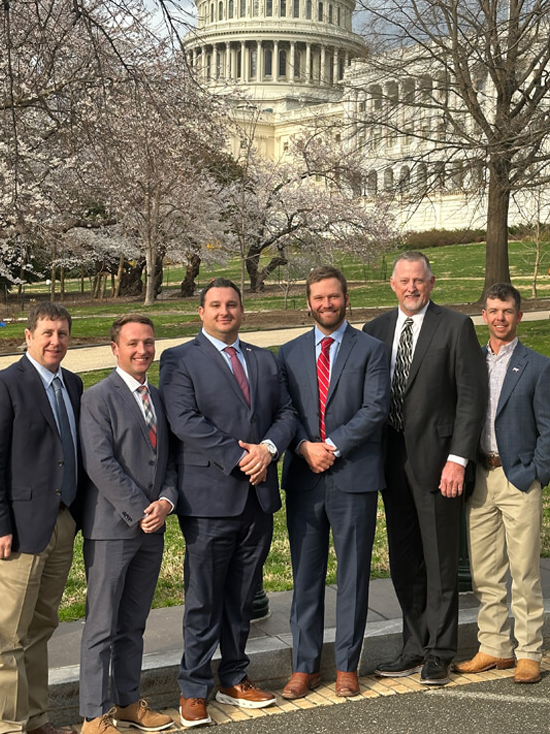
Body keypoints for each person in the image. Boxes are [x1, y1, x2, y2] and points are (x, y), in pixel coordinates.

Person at [159, 278, 295, 726]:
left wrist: (267, 450)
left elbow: (287, 414)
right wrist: (240, 457)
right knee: (203, 599)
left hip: (258, 497)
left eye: (232, 305)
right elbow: (184, 421)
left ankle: (235, 677)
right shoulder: (180, 359)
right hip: (209, 499)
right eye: (215, 305)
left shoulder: (262, 359)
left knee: (241, 596)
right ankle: (193, 686)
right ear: (200, 312)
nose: (224, 312)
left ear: (242, 310)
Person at [363, 252, 487, 686]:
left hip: (439, 466)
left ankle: (440, 651)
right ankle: (414, 644)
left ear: (431, 283)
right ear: (392, 285)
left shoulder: (456, 327)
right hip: (390, 464)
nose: (412, 287)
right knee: (404, 561)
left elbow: (472, 400)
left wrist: (458, 459)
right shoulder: (375, 331)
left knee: (439, 563)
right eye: (404, 281)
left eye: (419, 280)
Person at [277, 266, 390, 700]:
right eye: (319, 298)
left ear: (347, 298)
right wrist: (306, 447)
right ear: (308, 302)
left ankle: (347, 665)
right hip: (306, 477)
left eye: (334, 297)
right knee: (306, 577)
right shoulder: (288, 353)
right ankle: (304, 667)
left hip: (353, 478)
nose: (327, 304)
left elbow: (376, 408)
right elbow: (284, 410)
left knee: (354, 575)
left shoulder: (371, 350)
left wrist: (333, 446)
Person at [453, 284, 550, 684]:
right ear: (484, 315)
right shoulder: (470, 363)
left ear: (518, 315)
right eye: (493, 310)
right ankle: (494, 647)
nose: (499, 317)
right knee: (485, 571)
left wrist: (535, 472)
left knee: (524, 570)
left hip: (518, 477)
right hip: (480, 479)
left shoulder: (538, 366)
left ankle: (529, 651)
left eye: (507, 311)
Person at [78, 314, 178, 734]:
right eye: (133, 343)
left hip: (151, 529)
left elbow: (168, 461)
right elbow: (100, 464)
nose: (142, 351)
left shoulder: (158, 396)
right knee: (102, 625)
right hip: (113, 529)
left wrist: (167, 503)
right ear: (114, 348)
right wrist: (142, 510)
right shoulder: (97, 398)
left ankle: (126, 702)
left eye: (149, 343)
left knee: (133, 623)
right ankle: (92, 715)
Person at [0, 302, 82, 734]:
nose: (55, 341)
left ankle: (36, 719)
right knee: (6, 635)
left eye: (62, 333)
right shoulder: (5, 385)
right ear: (27, 336)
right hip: (18, 531)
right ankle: (6, 726)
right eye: (47, 333)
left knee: (42, 627)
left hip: (62, 523)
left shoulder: (74, 385)